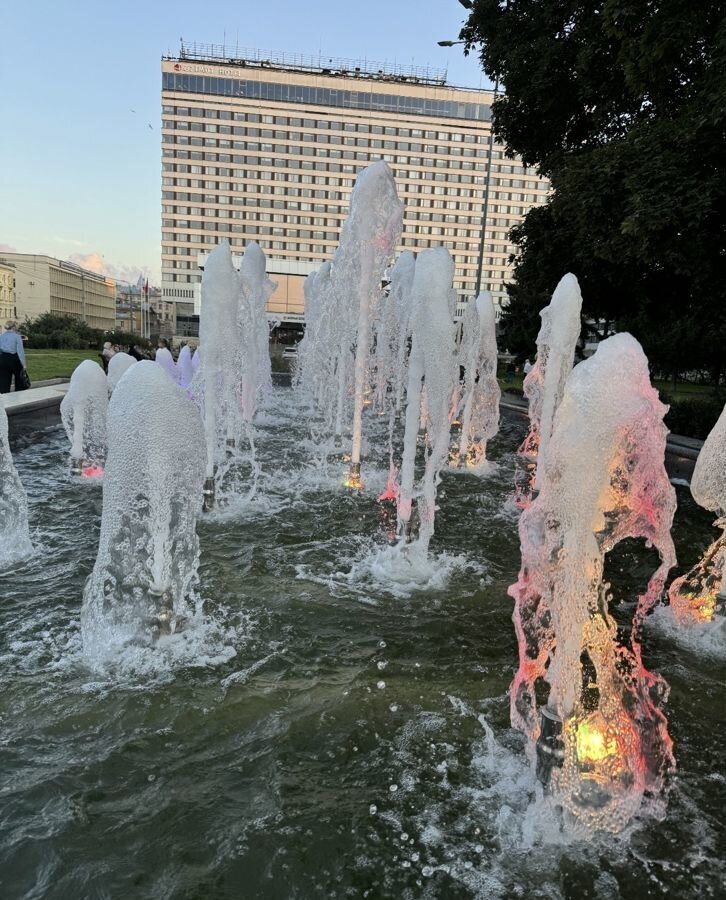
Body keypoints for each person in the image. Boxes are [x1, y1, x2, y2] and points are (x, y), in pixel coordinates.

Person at [0, 321, 27, 394]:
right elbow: (20, 351)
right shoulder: (17, 336)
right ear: (14, 327)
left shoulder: (1, 336)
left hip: (3, 358)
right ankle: (17, 395)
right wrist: (23, 364)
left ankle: (4, 397)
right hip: (14, 358)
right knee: (19, 378)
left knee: (4, 380)